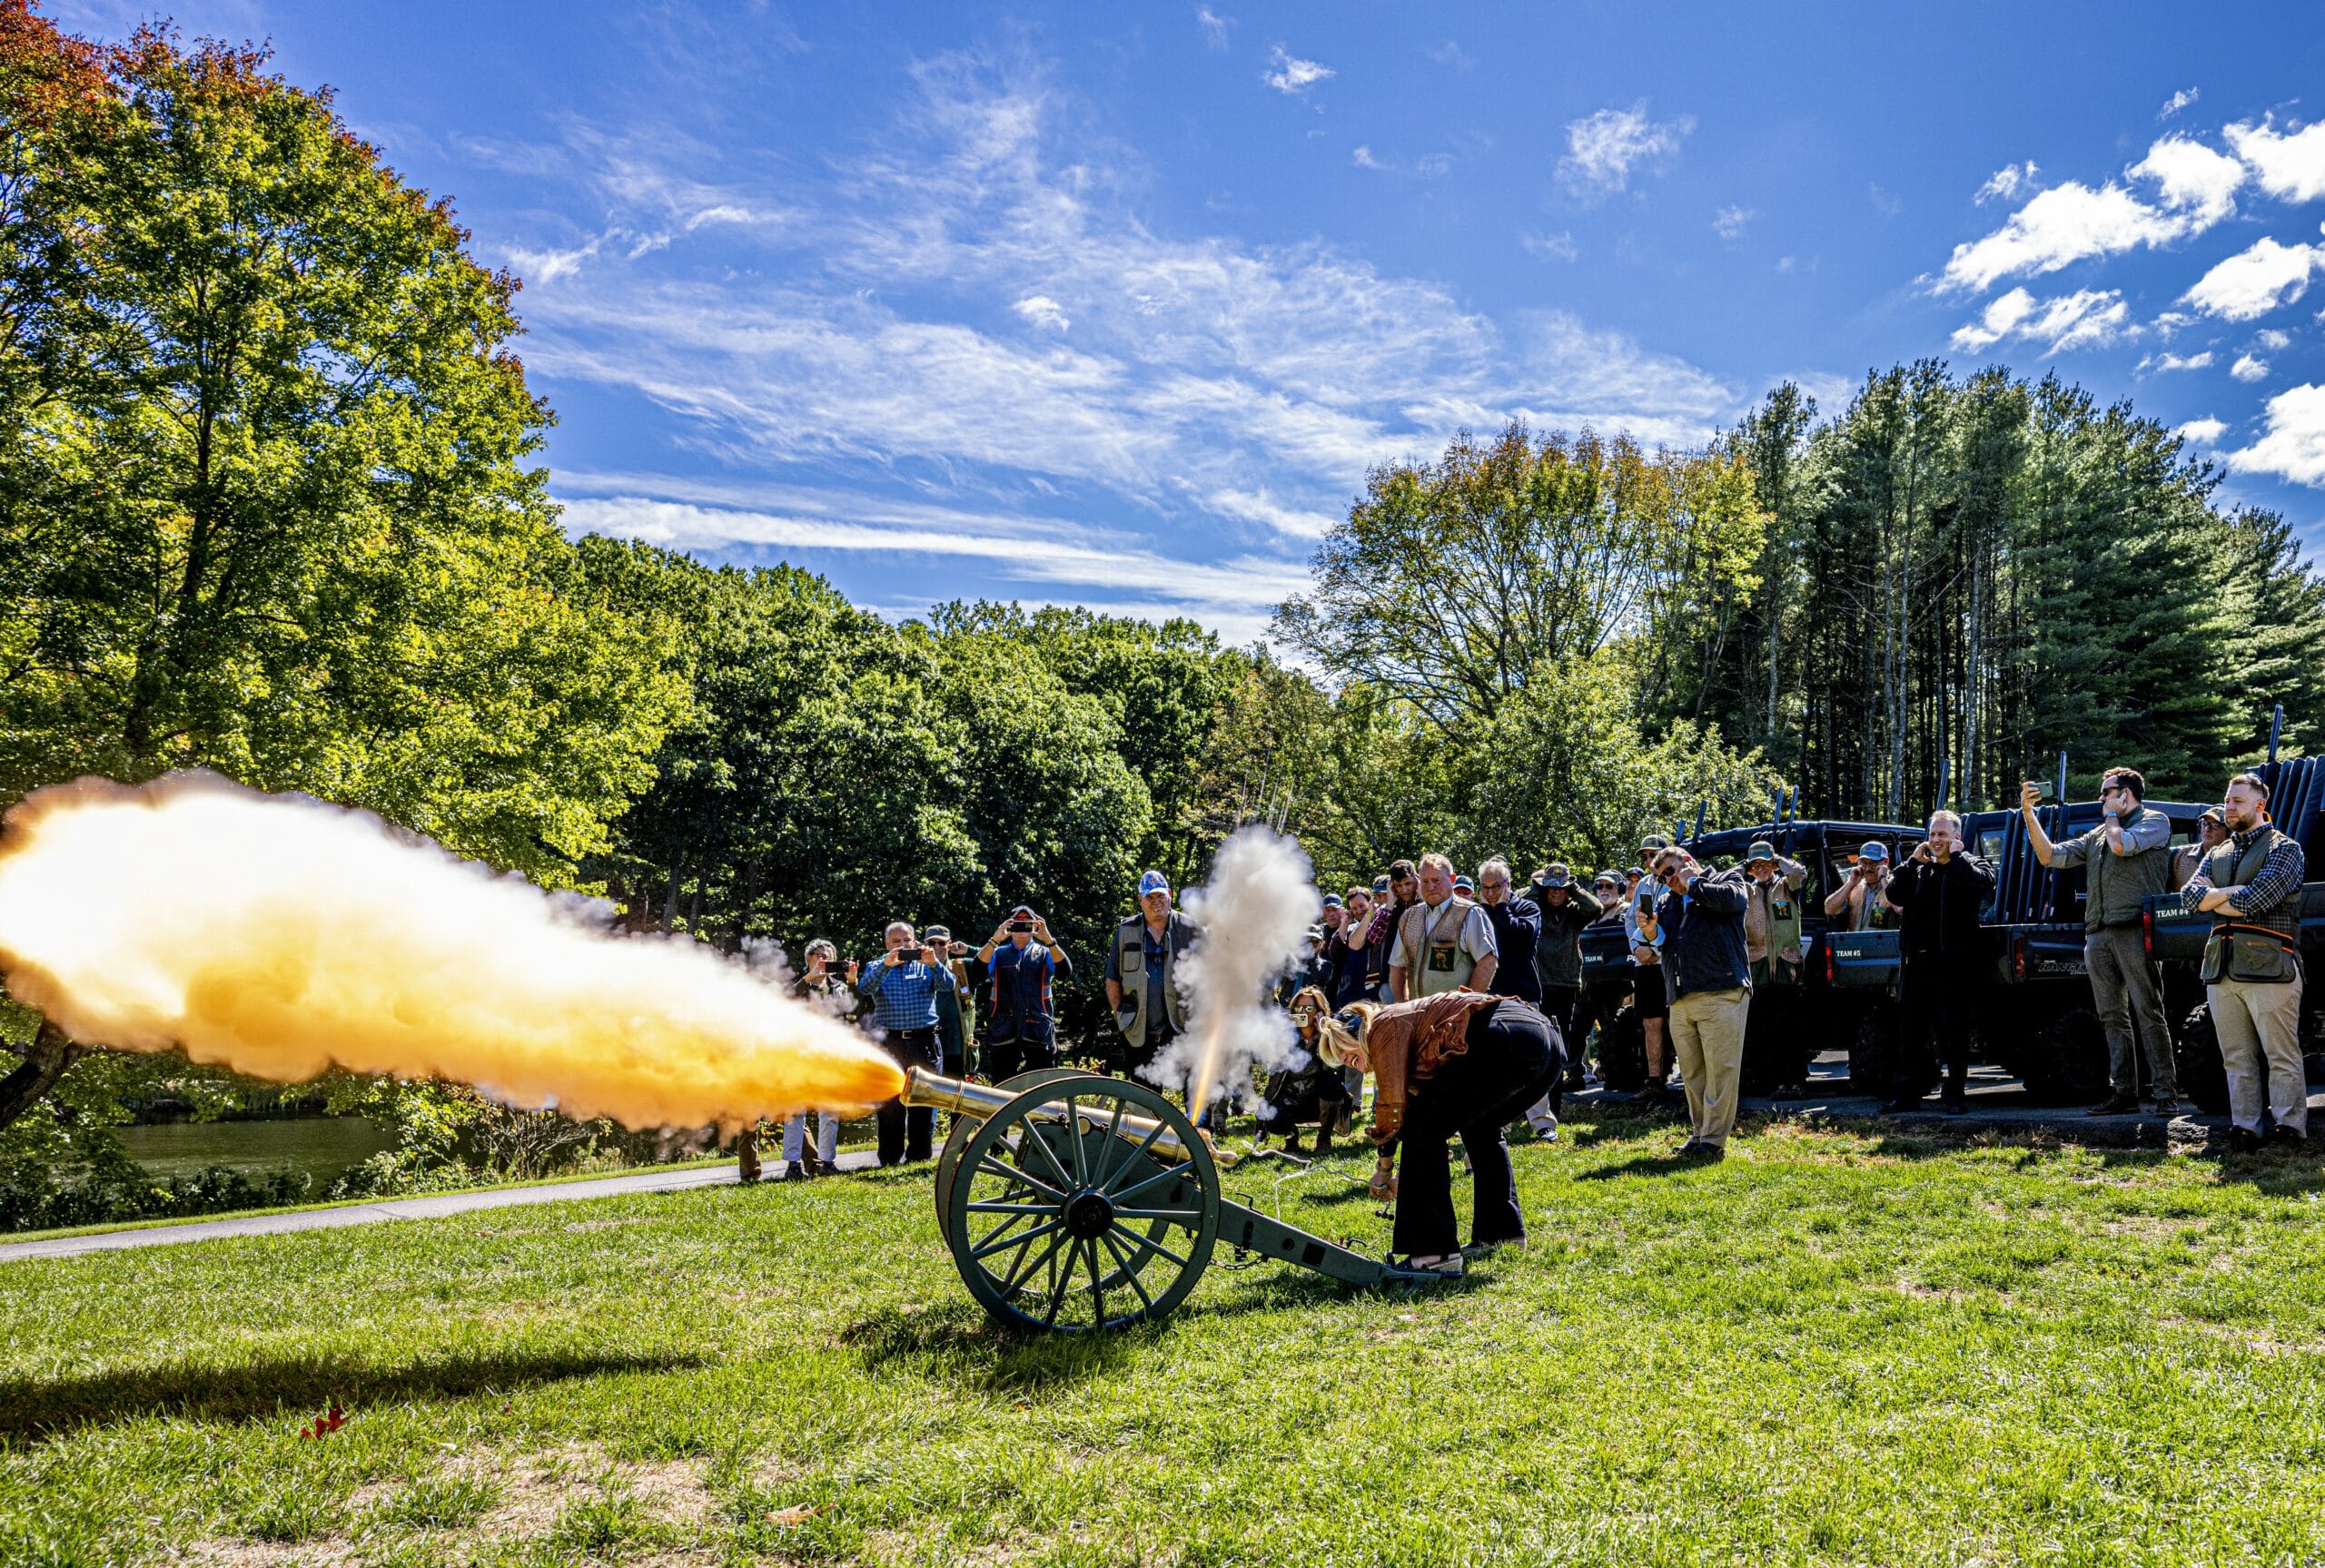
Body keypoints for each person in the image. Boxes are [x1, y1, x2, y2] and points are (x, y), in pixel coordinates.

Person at [1316, 991, 1561, 1277]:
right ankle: (1501, 1234)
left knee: (1424, 1128)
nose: (1344, 1059)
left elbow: (1393, 1112)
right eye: (1337, 1057)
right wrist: (1406, 1171)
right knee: (1478, 1126)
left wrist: (1385, 1169)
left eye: (1343, 1047)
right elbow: (1419, 1112)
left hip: (1506, 1039)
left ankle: (1435, 1253)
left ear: (1358, 1031)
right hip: (1544, 1042)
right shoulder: (1398, 1029)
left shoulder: (1382, 1026)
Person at [2020, 768, 2180, 1115]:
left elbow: (2121, 846)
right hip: (2098, 933)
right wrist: (2029, 815)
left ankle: (2166, 1094)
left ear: (2126, 794)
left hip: (2135, 930)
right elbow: (2050, 856)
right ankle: (2124, 1093)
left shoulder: (2156, 822)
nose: (2100, 799)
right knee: (2111, 1015)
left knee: (2148, 1011)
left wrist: (2111, 816)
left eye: (2106, 792)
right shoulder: (2096, 835)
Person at [2182, 771, 2309, 1151]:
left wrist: (2217, 897)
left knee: (2280, 1053)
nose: (2229, 807)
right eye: (2227, 799)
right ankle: (2245, 1129)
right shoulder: (2216, 851)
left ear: (2259, 804)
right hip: (2222, 969)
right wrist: (2231, 892)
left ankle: (2290, 1131)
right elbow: (2190, 899)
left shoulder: (2285, 849)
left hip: (2272, 967)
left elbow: (2258, 900)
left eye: (2237, 801)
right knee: (2235, 1057)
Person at [1637, 845, 1751, 1160]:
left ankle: (1713, 1142)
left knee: (1720, 1071)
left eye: (1670, 872)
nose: (1668, 881)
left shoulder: (1728, 879)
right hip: (1680, 996)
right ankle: (1700, 1133)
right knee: (1691, 1074)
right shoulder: (1667, 901)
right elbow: (1667, 941)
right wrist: (1651, 932)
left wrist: (1695, 884)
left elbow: (1732, 902)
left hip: (1721, 990)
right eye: (1661, 878)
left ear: (1687, 862)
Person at [1879, 812, 1997, 1116]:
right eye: (1932, 834)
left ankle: (1954, 1095)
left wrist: (1957, 860)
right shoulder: (1921, 870)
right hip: (1918, 963)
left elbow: (1983, 887)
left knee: (1953, 1033)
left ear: (1957, 838)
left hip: (1954, 964)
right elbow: (1893, 893)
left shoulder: (1973, 864)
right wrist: (1912, 863)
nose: (1935, 841)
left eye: (1942, 835)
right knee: (1910, 1033)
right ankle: (1905, 1094)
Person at [856, 922, 945, 1165]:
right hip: (890, 1043)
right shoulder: (876, 965)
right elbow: (864, 988)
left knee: (924, 1102)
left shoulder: (927, 965)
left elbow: (949, 986)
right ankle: (890, 1157)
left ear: (915, 941)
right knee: (890, 1103)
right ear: (887, 944)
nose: (902, 946)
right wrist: (886, 965)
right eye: (896, 942)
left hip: (923, 1041)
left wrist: (934, 963)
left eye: (907, 941)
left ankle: (919, 1155)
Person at [1107, 870, 1198, 1077]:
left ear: (1170, 895)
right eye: (1149, 897)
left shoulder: (1189, 929)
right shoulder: (1125, 931)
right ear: (1140, 900)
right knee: (1144, 1099)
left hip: (1182, 1030)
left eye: (1160, 896)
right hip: (1138, 1033)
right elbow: (1112, 979)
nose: (1155, 902)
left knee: (1192, 1095)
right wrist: (1121, 1017)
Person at [1740, 841, 1813, 1100]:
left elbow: (1798, 873)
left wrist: (1776, 858)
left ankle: (1795, 1081)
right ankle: (1768, 1082)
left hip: (1786, 969)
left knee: (1790, 1031)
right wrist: (1742, 869)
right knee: (1761, 1031)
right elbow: (1726, 885)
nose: (1761, 869)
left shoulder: (1786, 887)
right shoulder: (1745, 892)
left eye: (1765, 864)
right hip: (1757, 970)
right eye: (1755, 865)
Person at [1526, 863, 1605, 1094]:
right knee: (1539, 1040)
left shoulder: (1574, 913)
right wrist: (1537, 887)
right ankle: (1536, 1090)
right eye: (1551, 888)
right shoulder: (1534, 908)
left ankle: (1556, 1088)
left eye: (1561, 888)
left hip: (1567, 985)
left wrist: (1574, 888)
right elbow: (1516, 902)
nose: (1556, 892)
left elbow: (1595, 906)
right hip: (1539, 984)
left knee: (1563, 1040)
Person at [1255, 986, 1356, 1155]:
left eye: (1309, 1008)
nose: (1303, 1012)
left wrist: (1324, 1030)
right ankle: (1291, 1137)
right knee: (1272, 1117)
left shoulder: (1328, 1035)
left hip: (1317, 1102)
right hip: (1290, 1101)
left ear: (1319, 1011)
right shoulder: (1287, 1036)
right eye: (1298, 1008)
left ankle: (1324, 1139)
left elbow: (1336, 1065)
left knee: (1331, 1084)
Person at [779, 940, 850, 1178]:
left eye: (827, 956)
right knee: (795, 1111)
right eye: (817, 955)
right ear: (808, 959)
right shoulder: (798, 984)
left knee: (830, 1111)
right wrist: (809, 979)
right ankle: (793, 1165)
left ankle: (827, 1162)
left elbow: (852, 1014)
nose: (822, 960)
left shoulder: (840, 987)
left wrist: (853, 981)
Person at [1389, 853, 1499, 1001]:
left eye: (1436, 880)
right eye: (1425, 881)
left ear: (1452, 879)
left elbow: (1488, 963)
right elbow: (1397, 966)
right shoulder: (1409, 916)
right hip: (1418, 1014)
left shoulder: (1470, 913)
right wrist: (1401, 1005)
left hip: (1457, 1016)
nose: (1430, 886)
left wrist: (1466, 1005)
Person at [978, 904, 1070, 1081]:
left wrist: (1049, 940)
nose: (1021, 929)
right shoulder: (997, 952)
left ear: (1035, 927)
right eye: (1016, 924)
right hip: (1003, 1031)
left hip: (1038, 1030)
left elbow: (1064, 972)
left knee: (1042, 1087)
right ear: (1009, 927)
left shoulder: (1045, 953)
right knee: (1002, 1087)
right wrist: (994, 940)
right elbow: (978, 971)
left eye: (1026, 924)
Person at [1623, 863, 1670, 1104]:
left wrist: (1657, 950)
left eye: (1655, 855)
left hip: (1670, 962)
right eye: (1647, 856)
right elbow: (1631, 920)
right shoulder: (1643, 884)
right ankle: (1654, 1081)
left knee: (1680, 1021)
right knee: (1651, 1022)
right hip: (1645, 965)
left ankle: (1694, 1081)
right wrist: (1637, 948)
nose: (1651, 860)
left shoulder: (1675, 881)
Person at [1360, 860, 1420, 1001]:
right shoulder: (1388, 909)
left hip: (1421, 977)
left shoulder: (1427, 905)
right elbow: (1374, 937)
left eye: (1408, 883)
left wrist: (1422, 898)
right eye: (1398, 885)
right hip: (1391, 979)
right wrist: (1390, 903)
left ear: (1416, 880)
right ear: (1392, 886)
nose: (1404, 890)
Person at [1824, 842, 1895, 932]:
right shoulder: (1855, 888)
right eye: (1864, 863)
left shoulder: (1893, 884)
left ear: (1886, 862)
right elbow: (1829, 909)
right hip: (1856, 944)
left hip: (1884, 945)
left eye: (1873, 863)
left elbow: (1900, 909)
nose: (1868, 868)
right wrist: (1850, 883)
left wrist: (1883, 878)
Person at [2173, 806, 2230, 891]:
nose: (2207, 829)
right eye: (2205, 823)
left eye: (2215, 825)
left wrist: (2214, 893)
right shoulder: (2180, 855)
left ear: (2228, 831)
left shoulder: (2233, 860)